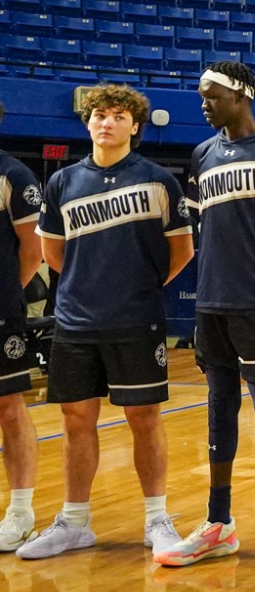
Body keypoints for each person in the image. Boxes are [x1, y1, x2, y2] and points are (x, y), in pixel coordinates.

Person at [151, 64, 255, 570]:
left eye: (212, 95)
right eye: (201, 95)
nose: (203, 103)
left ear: (242, 95)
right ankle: (218, 523)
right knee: (218, 407)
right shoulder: (201, 155)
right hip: (211, 303)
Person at [17, 84, 193, 563]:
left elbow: (181, 251)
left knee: (144, 417)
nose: (106, 121)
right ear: (87, 122)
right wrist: (82, 285)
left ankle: (157, 518)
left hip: (137, 319)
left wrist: (141, 286)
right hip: (75, 321)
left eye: (117, 115)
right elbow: (53, 251)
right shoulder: (64, 181)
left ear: (135, 125)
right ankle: (74, 522)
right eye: (98, 114)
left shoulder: (160, 181)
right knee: (76, 419)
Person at [0, 107, 44, 553]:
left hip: (1, 311)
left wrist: (6, 295)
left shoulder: (14, 175)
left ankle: (21, 512)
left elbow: (33, 252)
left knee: (9, 408)